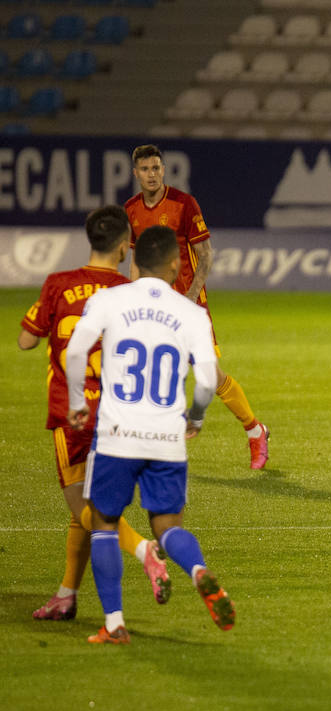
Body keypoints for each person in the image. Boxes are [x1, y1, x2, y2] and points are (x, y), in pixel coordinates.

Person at [64, 226, 236, 644]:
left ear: (134, 260)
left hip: (118, 434)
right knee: (167, 526)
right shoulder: (191, 313)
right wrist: (195, 416)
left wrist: (76, 401)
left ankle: (115, 624)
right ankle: (198, 570)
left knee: (103, 523)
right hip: (166, 437)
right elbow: (209, 379)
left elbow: (74, 350)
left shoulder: (109, 299)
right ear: (177, 265)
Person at [19, 206, 171, 621]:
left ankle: (143, 549)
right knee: (89, 504)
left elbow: (25, 341)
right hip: (119, 413)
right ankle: (66, 594)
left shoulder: (59, 284)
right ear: (125, 246)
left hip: (73, 412)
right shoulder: (128, 291)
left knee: (85, 508)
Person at [124, 143, 269, 470]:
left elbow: (205, 256)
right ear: (135, 173)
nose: (152, 175)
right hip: (151, 308)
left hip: (188, 304)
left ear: (163, 169)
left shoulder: (183, 204)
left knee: (210, 376)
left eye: (156, 168)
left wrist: (190, 297)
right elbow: (136, 258)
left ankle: (255, 430)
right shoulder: (131, 209)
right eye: (145, 169)